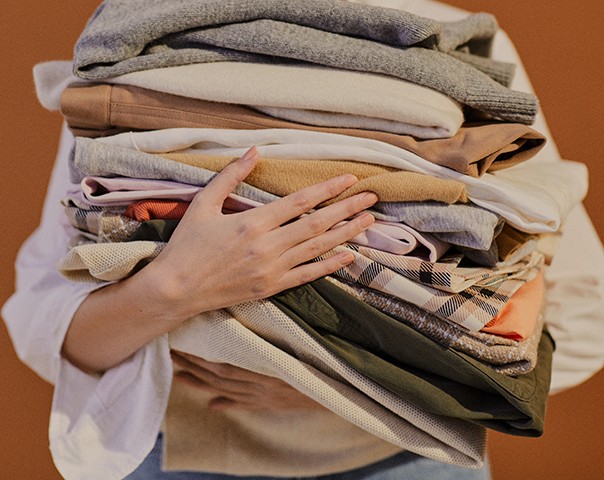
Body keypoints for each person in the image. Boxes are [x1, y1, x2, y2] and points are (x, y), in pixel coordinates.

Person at [2, 0, 603, 479]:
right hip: (166, 455)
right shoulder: (136, 53)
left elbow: (578, 309)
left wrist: (348, 386)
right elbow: (43, 324)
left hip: (404, 458)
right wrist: (176, 287)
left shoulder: (442, 40)